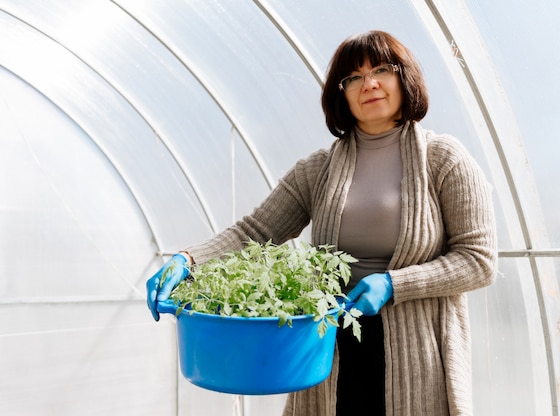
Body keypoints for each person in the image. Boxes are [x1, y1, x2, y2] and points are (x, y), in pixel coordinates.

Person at [146, 30, 497, 416]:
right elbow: (256, 231)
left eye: (382, 69)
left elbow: (478, 260)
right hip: (327, 346)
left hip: (419, 351)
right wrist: (188, 260)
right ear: (341, 94)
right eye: (354, 78)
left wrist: (394, 285)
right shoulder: (318, 170)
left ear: (404, 77)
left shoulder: (443, 159)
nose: (370, 84)